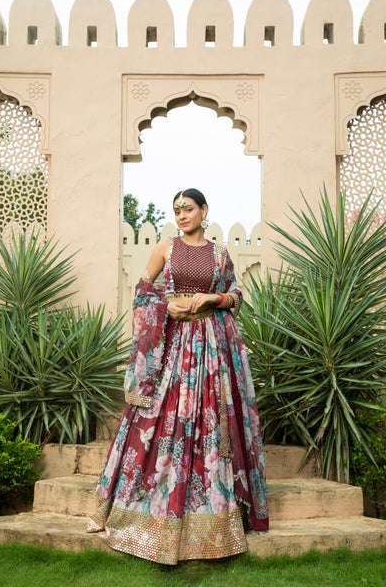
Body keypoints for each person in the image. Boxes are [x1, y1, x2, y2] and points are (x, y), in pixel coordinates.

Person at [86, 188, 268, 564]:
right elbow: (142, 290)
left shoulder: (220, 253)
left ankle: (214, 512)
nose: (182, 215)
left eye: (188, 209)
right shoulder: (165, 247)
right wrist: (165, 305)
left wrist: (212, 300)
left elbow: (236, 293)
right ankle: (146, 503)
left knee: (210, 420)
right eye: (176, 210)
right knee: (163, 417)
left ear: (204, 211)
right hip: (171, 346)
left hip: (212, 346)